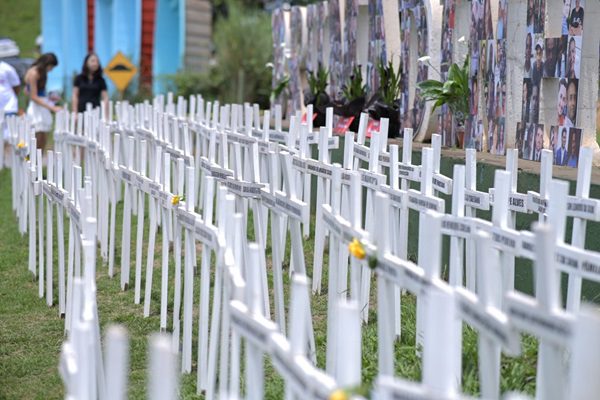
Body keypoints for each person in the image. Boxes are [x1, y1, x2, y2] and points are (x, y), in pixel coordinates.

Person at [25, 53, 60, 151]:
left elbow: (27, 91)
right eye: (51, 66)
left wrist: (49, 99)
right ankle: (31, 161)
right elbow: (33, 96)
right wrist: (52, 107)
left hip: (42, 104)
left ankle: (37, 161)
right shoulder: (34, 73)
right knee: (36, 137)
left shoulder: (41, 72)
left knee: (43, 135)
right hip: (36, 107)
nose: (51, 69)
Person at [0, 61, 20, 162]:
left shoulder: (7, 68)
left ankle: (11, 160)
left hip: (9, 106)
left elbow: (16, 86)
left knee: (10, 135)